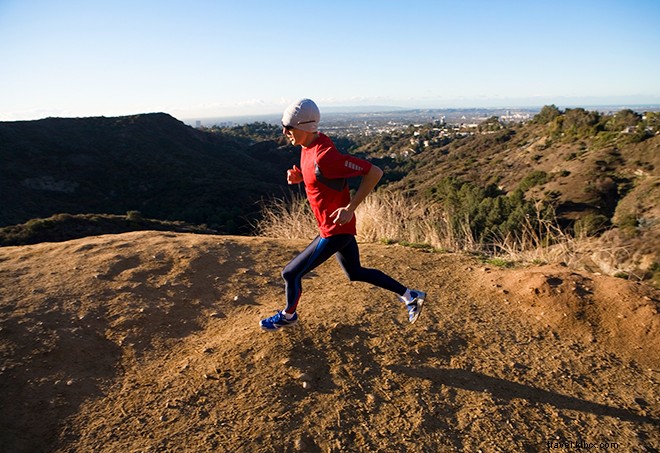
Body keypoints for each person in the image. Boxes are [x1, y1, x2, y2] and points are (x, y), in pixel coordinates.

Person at [259, 98, 426, 331]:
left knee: (290, 273)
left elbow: (375, 172)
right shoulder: (307, 147)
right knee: (354, 272)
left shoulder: (326, 156)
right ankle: (411, 296)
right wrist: (300, 177)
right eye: (284, 126)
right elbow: (321, 178)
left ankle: (288, 316)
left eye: (289, 127)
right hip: (335, 227)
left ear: (305, 127)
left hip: (335, 230)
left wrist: (350, 208)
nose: (285, 132)